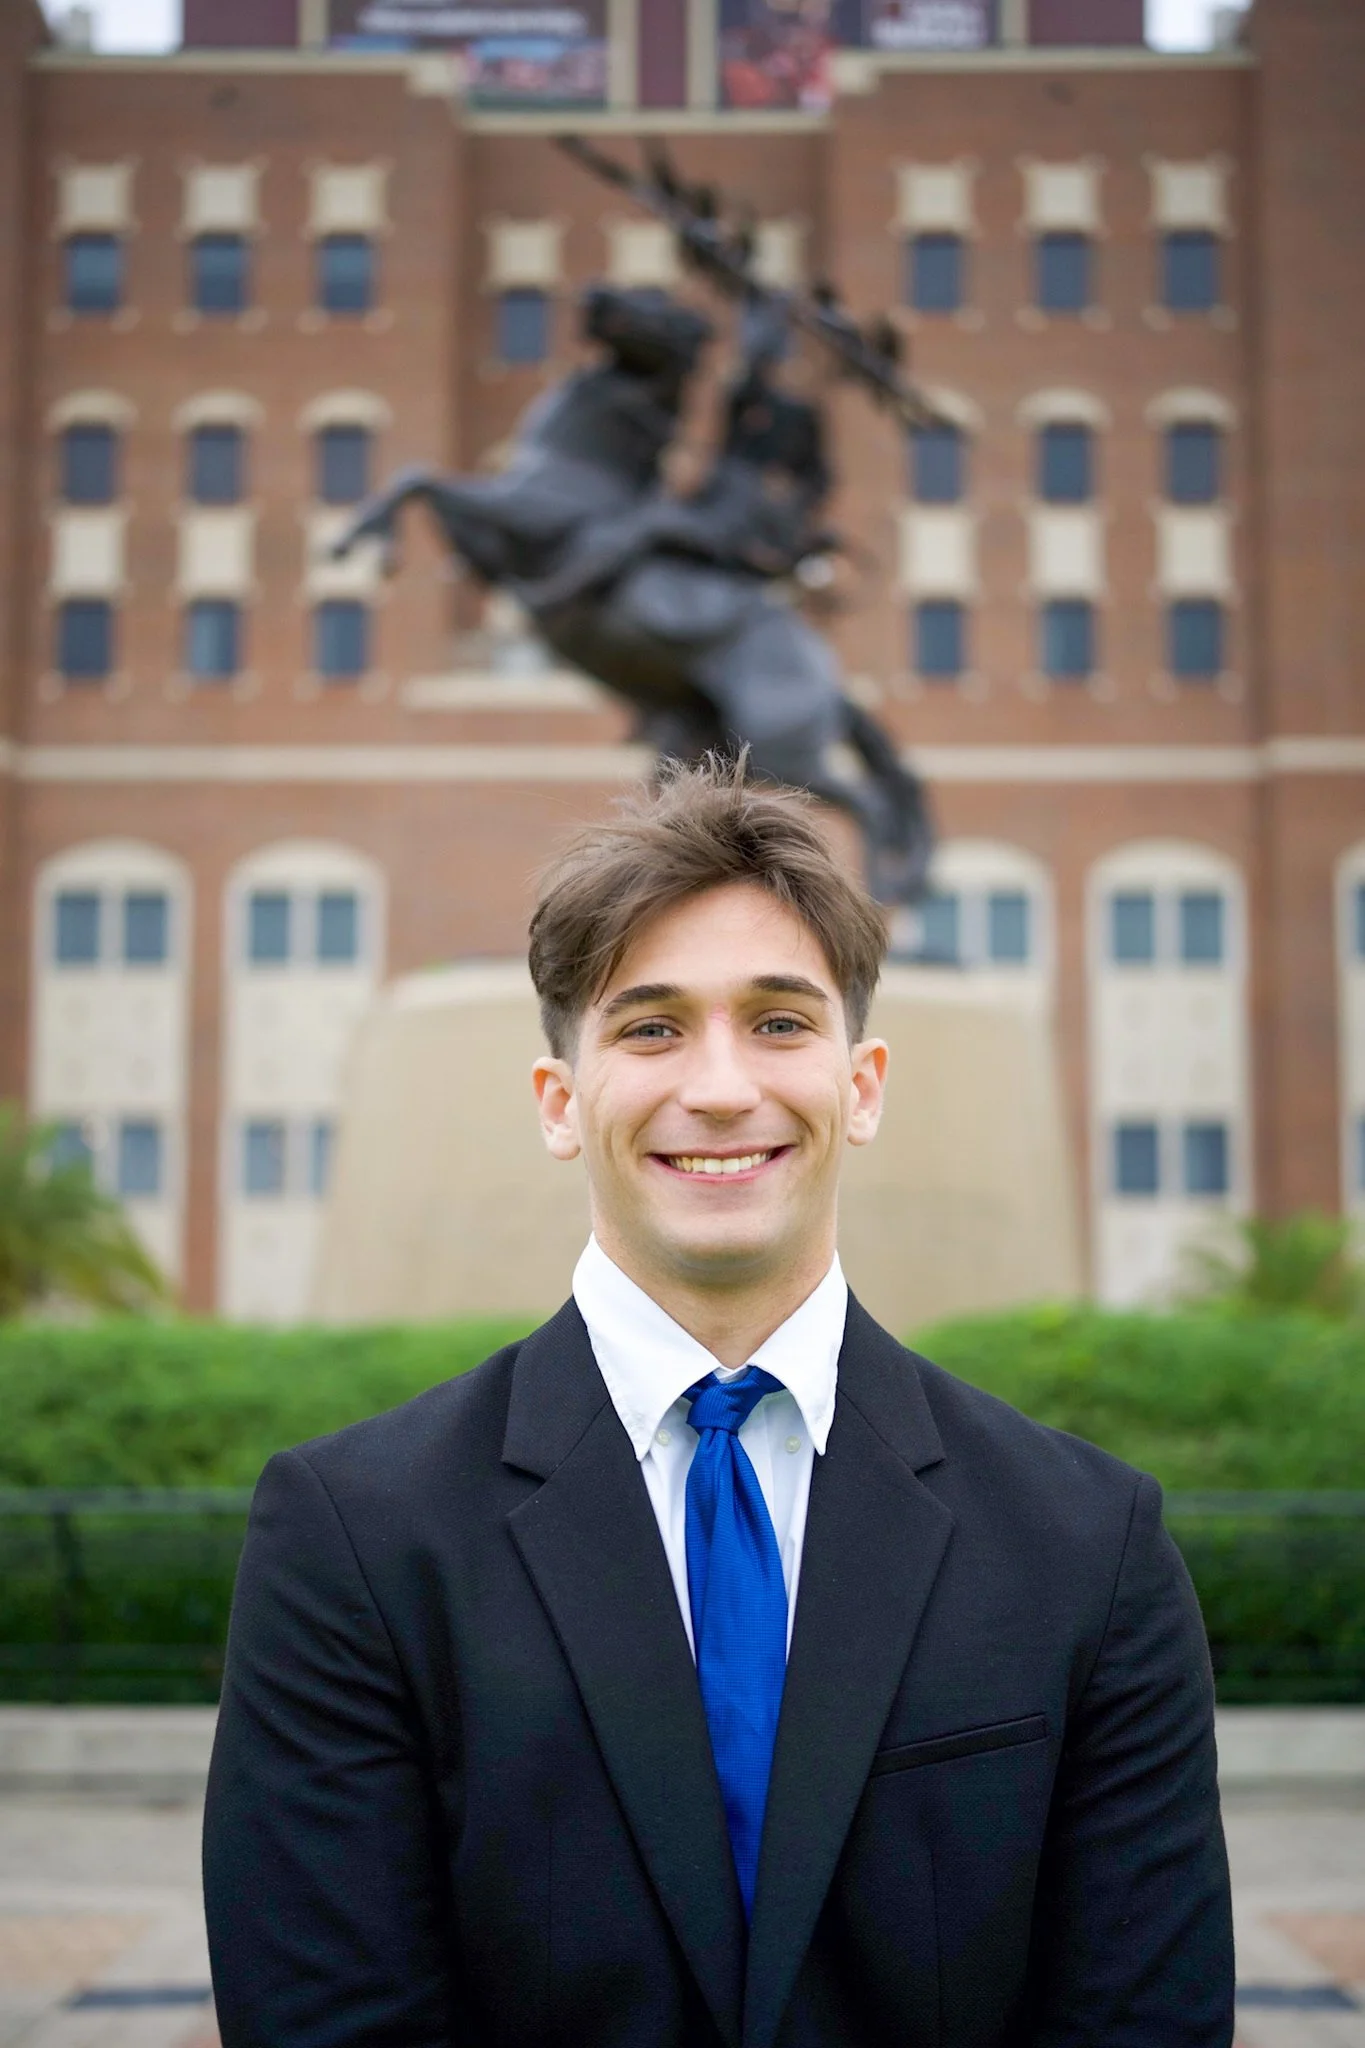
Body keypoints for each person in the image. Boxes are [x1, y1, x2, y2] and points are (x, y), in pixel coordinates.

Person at [203, 758, 1235, 2048]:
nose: (722, 1087)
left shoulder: (1092, 1543)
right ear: (559, 1103)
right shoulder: (354, 1539)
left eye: (780, 1021)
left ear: (859, 1087)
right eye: (650, 1027)